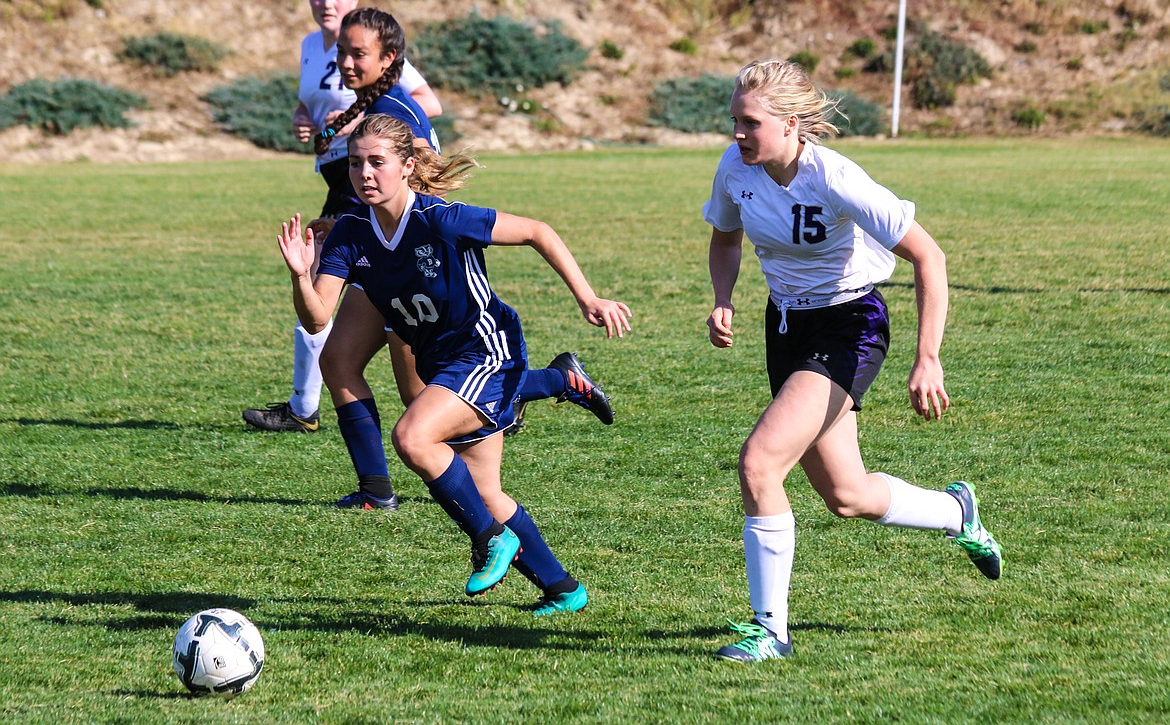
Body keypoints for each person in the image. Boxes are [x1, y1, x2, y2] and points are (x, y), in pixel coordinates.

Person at [249, 6, 615, 511]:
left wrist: (390, 236)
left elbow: (419, 190)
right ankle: (376, 489)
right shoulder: (373, 106)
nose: (346, 64)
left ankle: (554, 381)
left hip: (411, 270)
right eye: (341, 53)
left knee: (421, 394)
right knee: (338, 359)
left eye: (359, 54)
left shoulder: (396, 112)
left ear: (389, 58)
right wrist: (349, 231)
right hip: (378, 258)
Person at [702, 59, 1002, 662]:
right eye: (734, 120)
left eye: (750, 123)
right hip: (785, 325)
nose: (738, 134)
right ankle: (955, 510)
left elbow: (930, 258)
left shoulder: (835, 177)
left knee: (760, 464)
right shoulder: (737, 168)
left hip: (848, 326)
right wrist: (723, 298)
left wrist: (929, 358)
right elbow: (726, 237)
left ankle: (770, 632)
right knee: (847, 495)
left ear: (791, 124)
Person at [277, 112, 632, 612]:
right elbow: (317, 321)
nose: (365, 174)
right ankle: (563, 588)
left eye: (377, 162)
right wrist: (299, 275)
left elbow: (537, 231)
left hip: (488, 351)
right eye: (356, 164)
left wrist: (588, 298)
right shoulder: (351, 233)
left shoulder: (439, 218)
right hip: (444, 364)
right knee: (486, 493)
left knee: (412, 437)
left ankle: (492, 539)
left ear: (406, 166)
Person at [243, 0, 441, 437]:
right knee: (325, 290)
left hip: (375, 193)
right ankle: (309, 408)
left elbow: (422, 115)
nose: (325, 2)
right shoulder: (314, 48)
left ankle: (510, 391)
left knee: (410, 367)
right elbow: (311, 103)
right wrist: (304, 119)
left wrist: (368, 136)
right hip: (343, 183)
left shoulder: (374, 51)